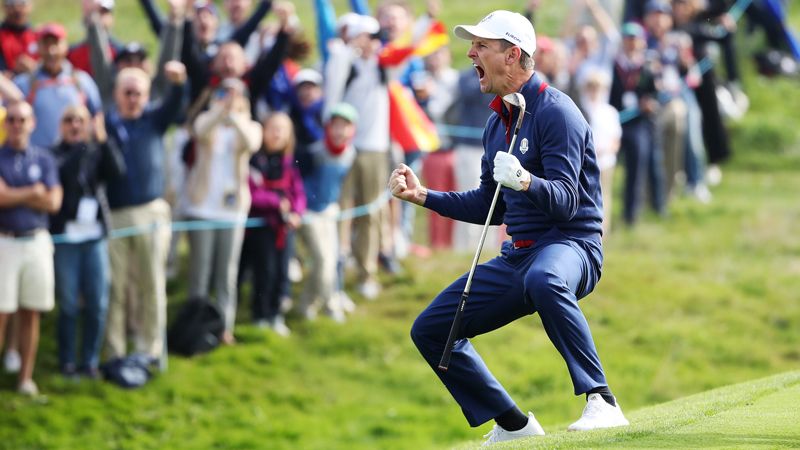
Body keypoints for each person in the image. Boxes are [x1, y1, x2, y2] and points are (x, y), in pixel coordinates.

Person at [388, 10, 629, 445]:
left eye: (481, 46)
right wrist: (424, 197)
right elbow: (489, 206)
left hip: (572, 246)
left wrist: (525, 180)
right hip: (518, 255)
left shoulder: (557, 113)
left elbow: (567, 202)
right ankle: (515, 425)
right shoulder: (495, 123)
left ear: (513, 55)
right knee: (430, 330)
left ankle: (603, 400)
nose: (470, 53)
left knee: (545, 277)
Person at [103, 62, 186, 363]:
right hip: (117, 214)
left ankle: (150, 349)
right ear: (117, 94)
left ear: (147, 95)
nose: (133, 98)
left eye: (139, 93)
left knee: (152, 283)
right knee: (116, 287)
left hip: (152, 212)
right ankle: (114, 350)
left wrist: (178, 83)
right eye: (127, 92)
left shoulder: (154, 120)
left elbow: (176, 103)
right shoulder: (108, 126)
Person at [184, 77, 262, 345]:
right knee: (200, 272)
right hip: (203, 208)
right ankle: (195, 325)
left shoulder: (249, 125)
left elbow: (251, 143)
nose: (229, 97)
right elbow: (200, 131)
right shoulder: (208, 119)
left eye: (234, 93)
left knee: (226, 274)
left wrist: (236, 115)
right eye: (224, 92)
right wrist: (219, 111)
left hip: (232, 211)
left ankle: (223, 328)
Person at [49, 105, 124, 378]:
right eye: (69, 120)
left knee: (98, 303)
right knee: (68, 304)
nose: (75, 126)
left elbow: (117, 172)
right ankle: (67, 361)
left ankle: (90, 361)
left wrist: (102, 140)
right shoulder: (53, 154)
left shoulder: (95, 150)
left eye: (80, 121)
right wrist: (83, 147)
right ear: (61, 125)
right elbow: (65, 173)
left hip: (95, 238)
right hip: (67, 239)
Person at [0, 100, 63, 395]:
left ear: (32, 123)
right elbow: (1, 198)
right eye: (11, 119)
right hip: (6, 241)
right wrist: (33, 192)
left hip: (36, 240)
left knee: (31, 313)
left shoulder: (45, 157)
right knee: (2, 313)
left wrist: (16, 194)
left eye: (21, 120)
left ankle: (25, 378)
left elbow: (53, 202)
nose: (16, 125)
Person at [240, 112, 305, 336]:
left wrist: (296, 212)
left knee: (282, 271)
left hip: (285, 229)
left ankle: (276, 314)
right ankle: (260, 314)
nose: (277, 134)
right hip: (262, 229)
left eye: (282, 129)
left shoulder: (289, 162)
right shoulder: (254, 161)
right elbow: (252, 193)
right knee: (264, 271)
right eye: (273, 128)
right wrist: (277, 203)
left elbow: (298, 193)